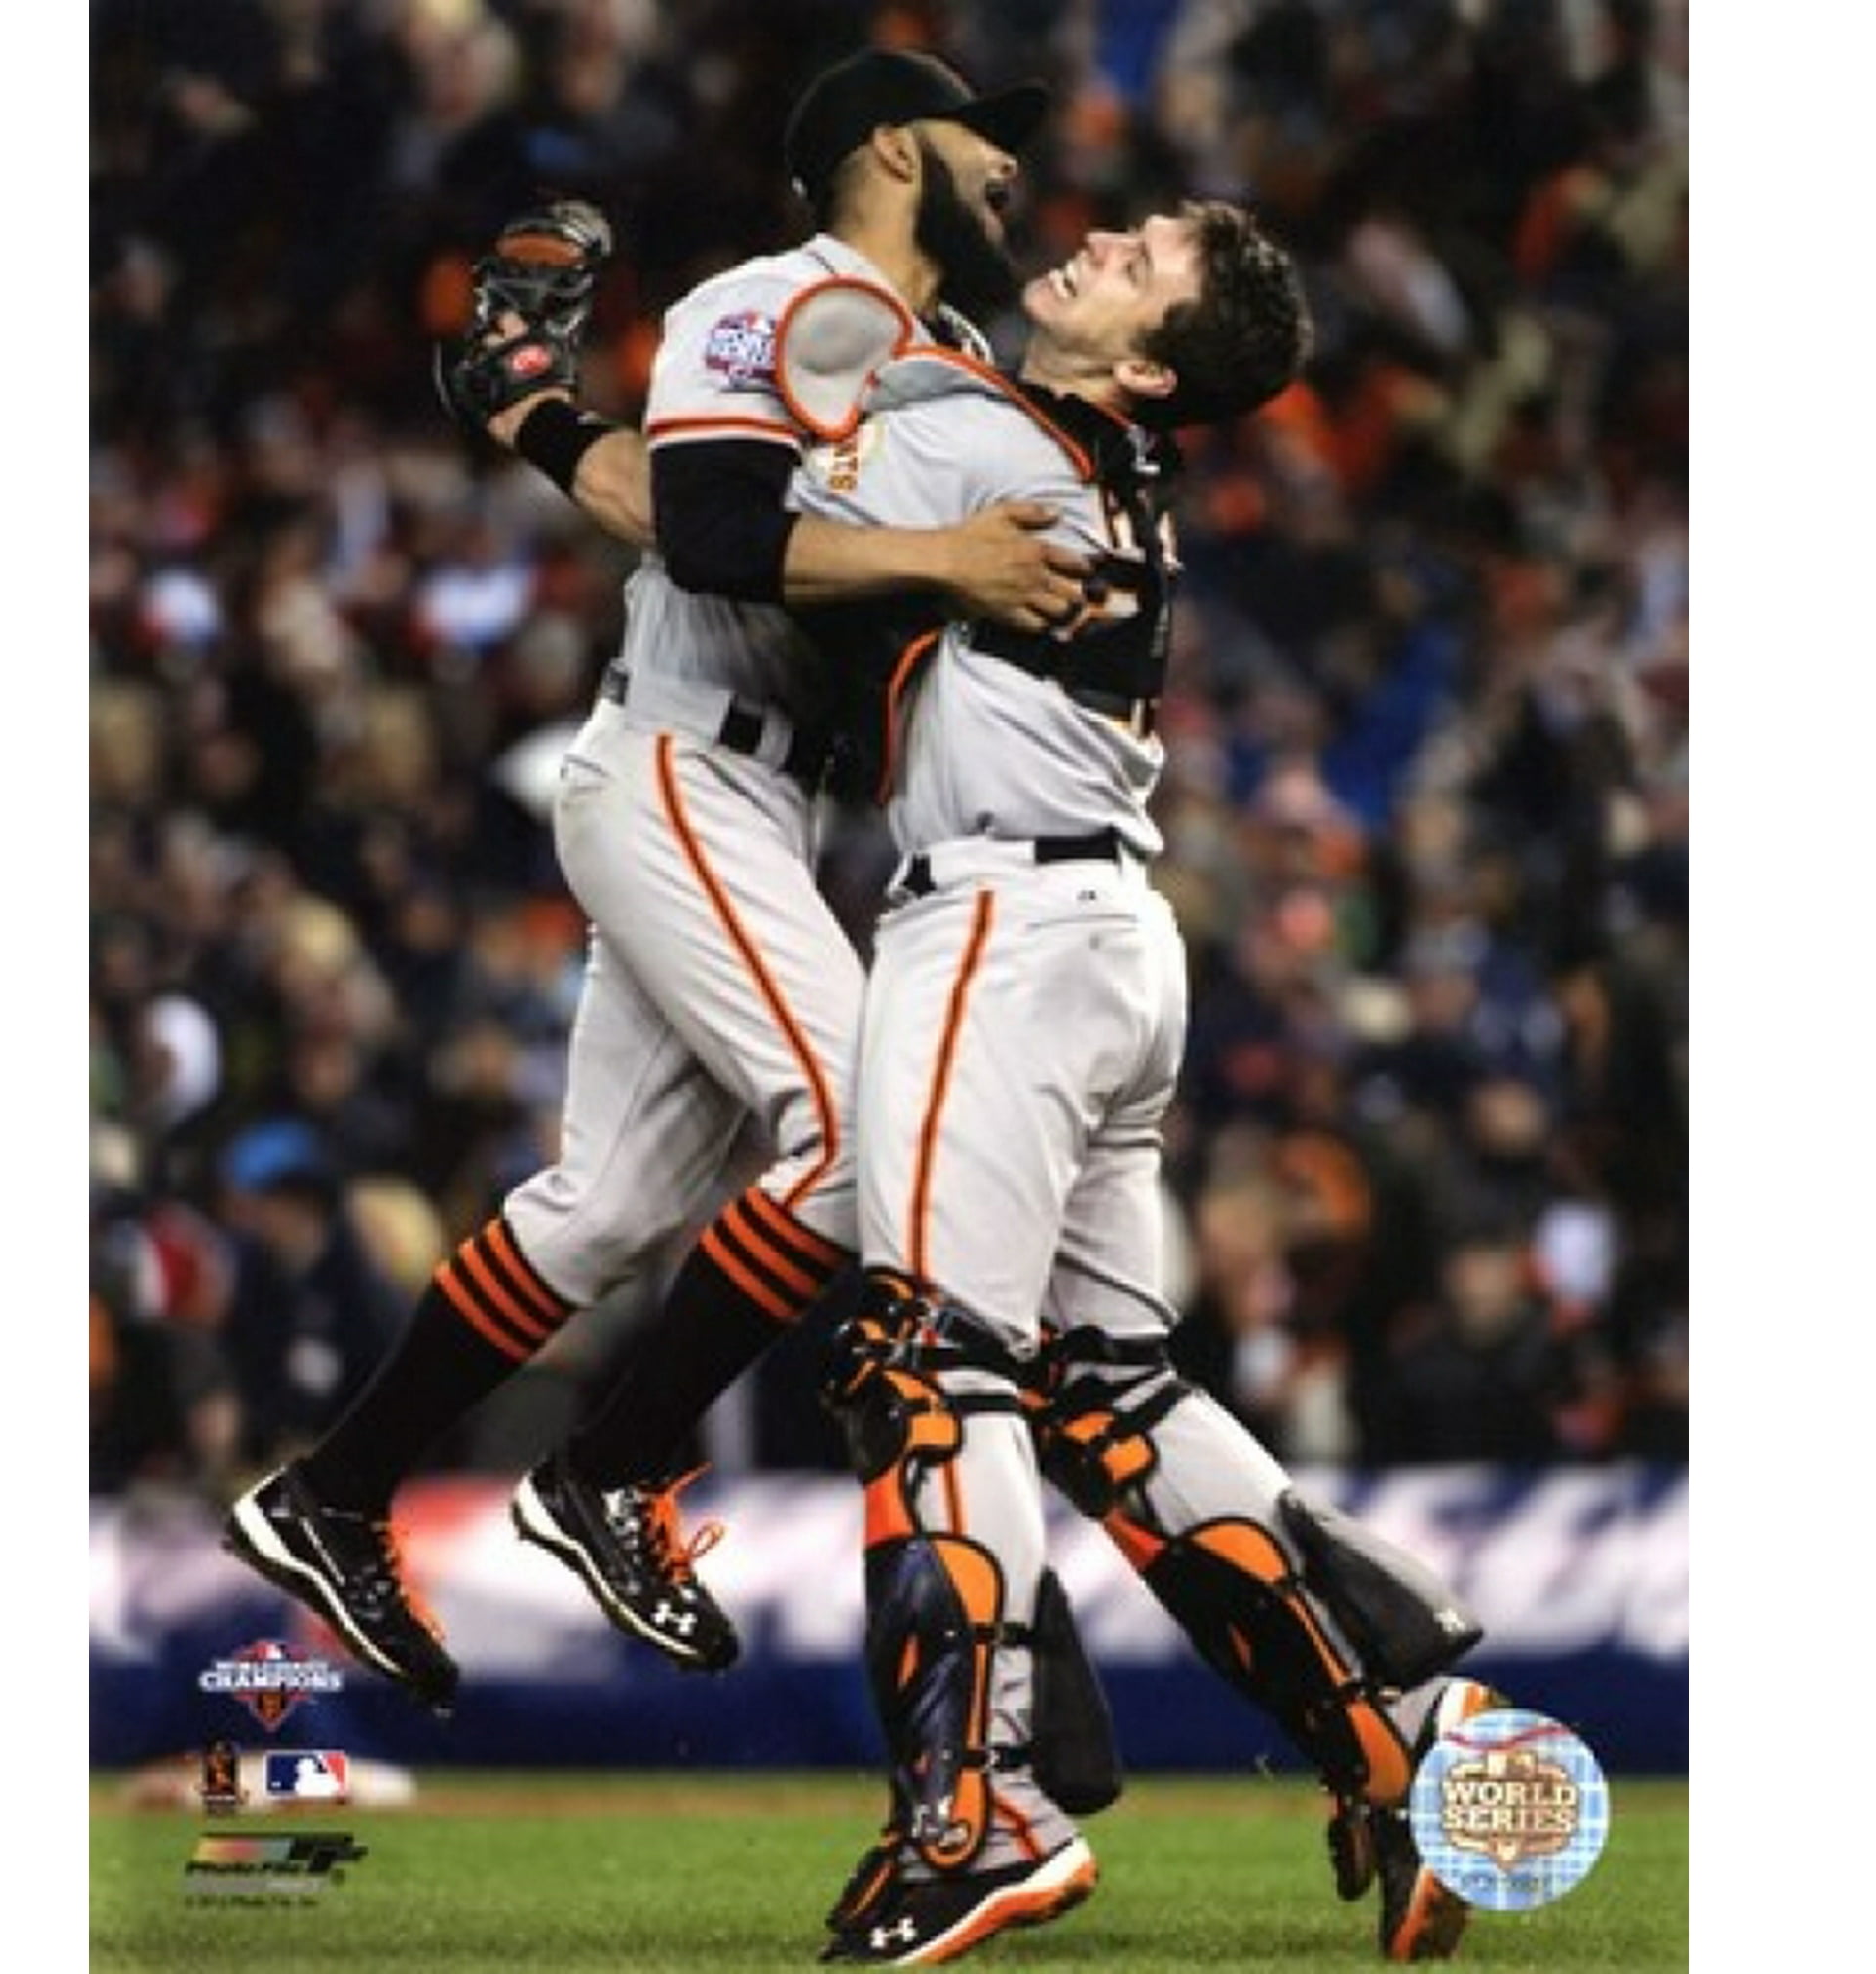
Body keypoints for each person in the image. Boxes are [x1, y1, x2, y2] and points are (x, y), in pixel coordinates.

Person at [221, 46, 1088, 1715]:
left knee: (609, 1208)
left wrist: (536, 409)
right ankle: (607, 1473)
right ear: (894, 149)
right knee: (860, 1136)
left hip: (776, 796)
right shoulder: (781, 298)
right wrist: (944, 556)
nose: (1012, 172)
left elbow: (657, 497)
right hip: (690, 761)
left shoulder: (946, 349)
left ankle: (330, 1494)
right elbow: (701, 525)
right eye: (987, 141)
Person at [769, 204, 1505, 1963]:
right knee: (1106, 1393)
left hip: (1005, 929)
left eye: (1147, 252)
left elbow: (739, 535)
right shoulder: (1083, 447)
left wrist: (558, 426)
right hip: (1105, 931)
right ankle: (1387, 1739)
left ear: (1151, 363)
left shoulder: (980, 421)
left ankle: (976, 1816)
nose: (1105, 232)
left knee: (928, 1362)